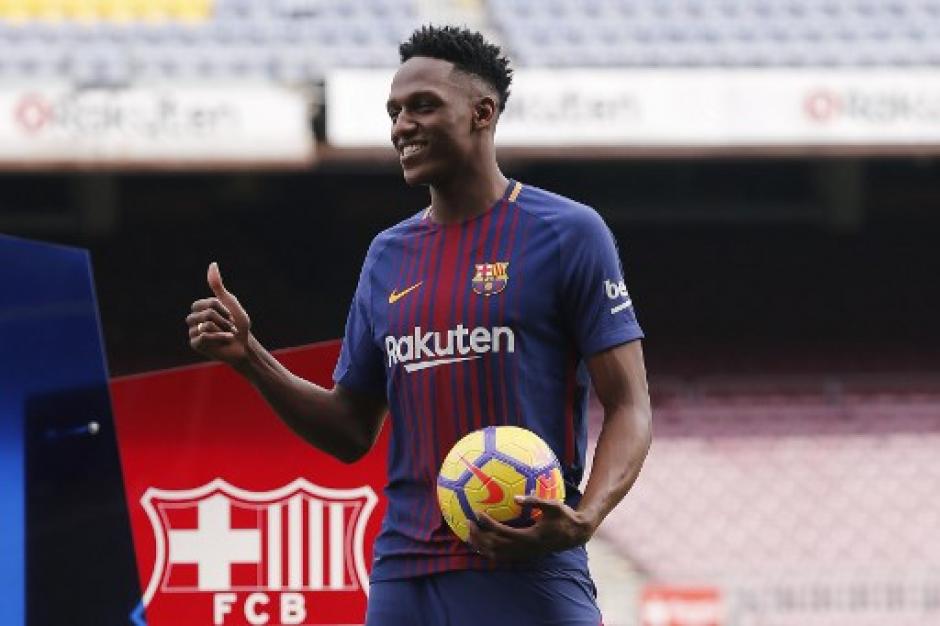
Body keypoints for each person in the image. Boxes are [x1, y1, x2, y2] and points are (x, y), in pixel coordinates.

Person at [187, 25, 652, 626]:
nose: (402, 125)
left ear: (483, 113)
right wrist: (251, 357)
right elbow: (351, 431)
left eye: (423, 106)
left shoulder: (568, 233)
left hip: (530, 566)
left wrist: (585, 516)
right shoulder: (388, 255)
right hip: (406, 578)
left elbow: (630, 403)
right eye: (395, 111)